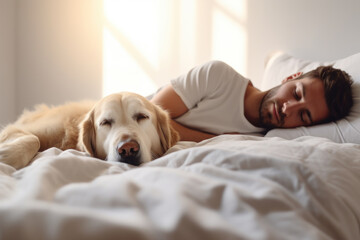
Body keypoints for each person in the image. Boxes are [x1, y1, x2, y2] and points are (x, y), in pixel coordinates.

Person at [151, 60, 353, 142]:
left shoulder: (264, 141)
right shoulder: (218, 76)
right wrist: (216, 139)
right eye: (296, 94)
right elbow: (149, 118)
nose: (288, 109)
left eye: (303, 115)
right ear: (291, 77)